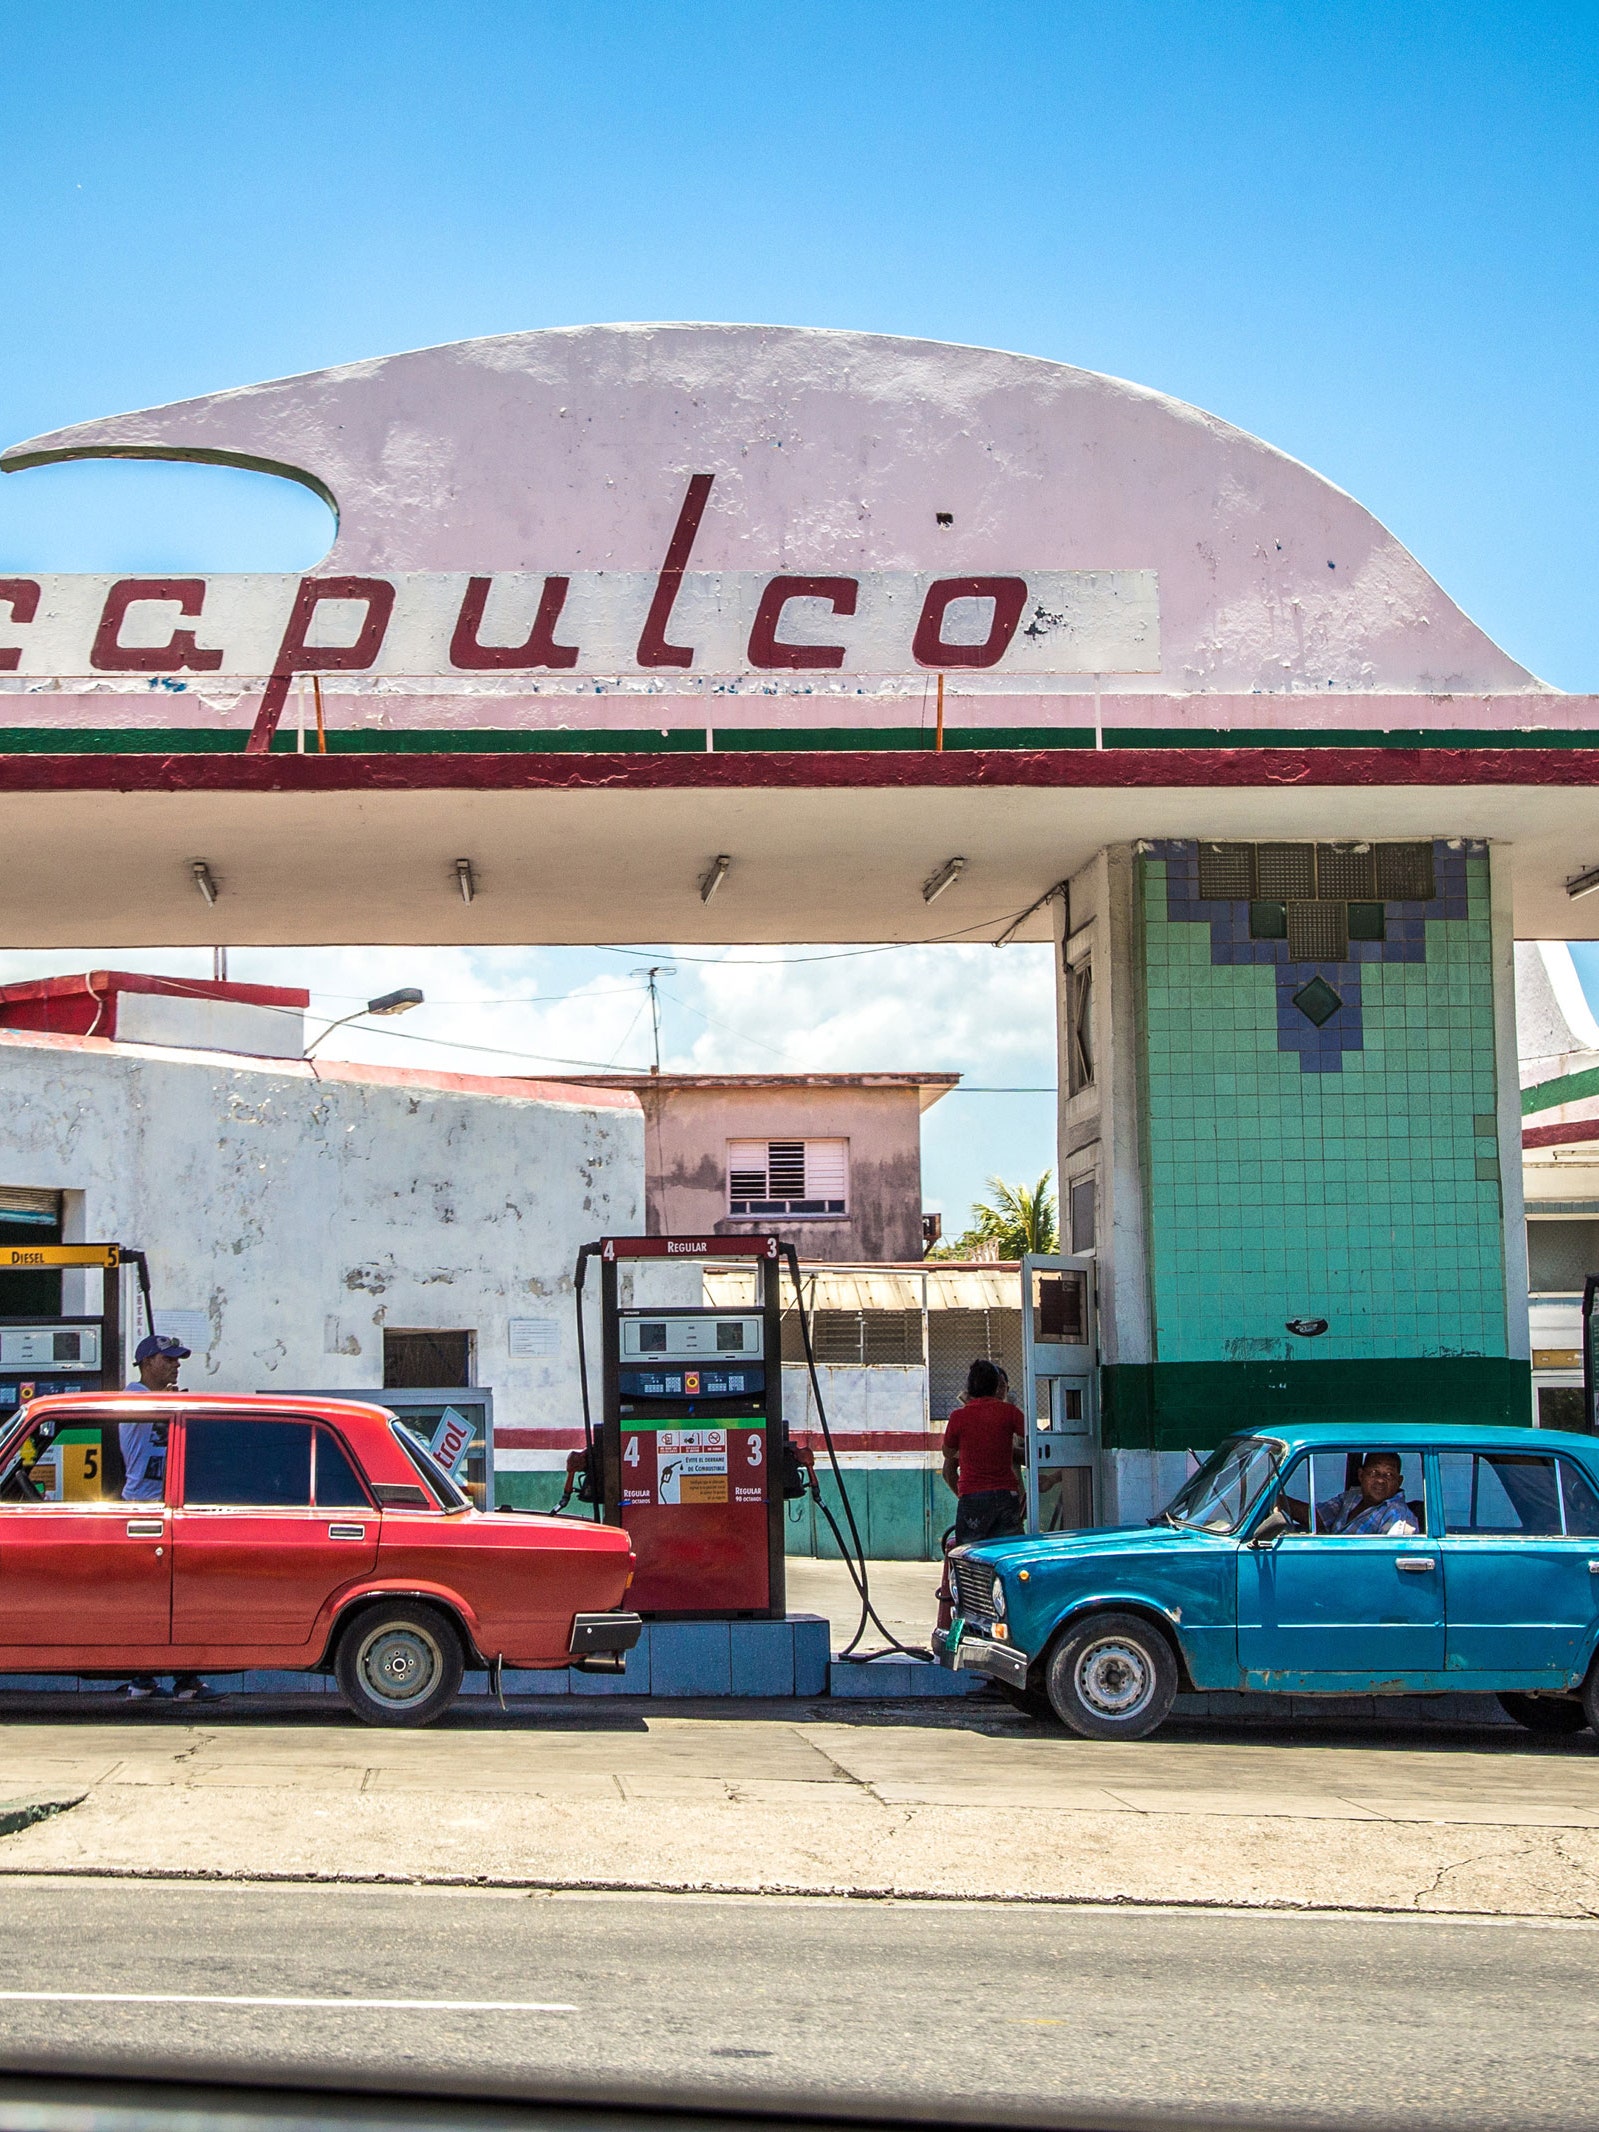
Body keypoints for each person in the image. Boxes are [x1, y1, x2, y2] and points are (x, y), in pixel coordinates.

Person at [118, 1333, 216, 1703]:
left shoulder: (163, 1399)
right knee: (153, 1601)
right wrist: (175, 1401)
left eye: (177, 1359)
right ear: (146, 1364)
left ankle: (149, 1679)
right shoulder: (132, 1396)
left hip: (169, 1508)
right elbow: (144, 1409)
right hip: (142, 1509)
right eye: (168, 1359)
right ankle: (177, 1680)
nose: (175, 1365)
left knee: (172, 1600)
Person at [942, 1358, 1026, 1544]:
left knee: (971, 1554)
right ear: (996, 1386)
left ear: (970, 1387)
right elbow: (1035, 1441)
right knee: (1009, 1550)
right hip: (1006, 1495)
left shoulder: (959, 1417)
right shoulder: (1009, 1412)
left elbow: (947, 1452)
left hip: (973, 1497)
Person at [1314, 1450, 1420, 1537]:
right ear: (1361, 1475)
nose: (1380, 1480)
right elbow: (1319, 1518)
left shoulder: (1397, 1515)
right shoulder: (1354, 1495)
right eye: (1374, 1472)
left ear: (1399, 1481)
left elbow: (1386, 1559)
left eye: (1389, 1474)